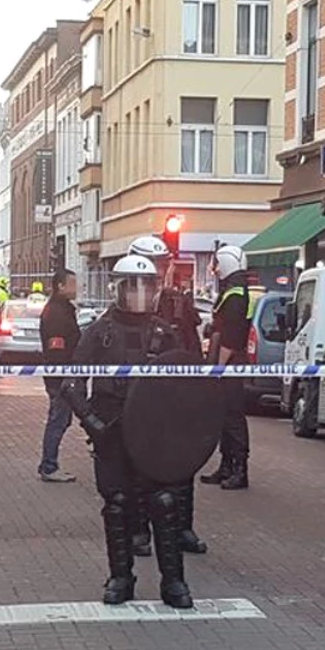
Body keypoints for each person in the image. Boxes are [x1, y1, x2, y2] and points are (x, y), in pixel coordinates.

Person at [62, 253, 194, 609]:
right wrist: (90, 421)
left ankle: (174, 581)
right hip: (111, 428)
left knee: (164, 503)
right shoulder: (100, 332)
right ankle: (121, 576)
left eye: (144, 286)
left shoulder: (164, 333)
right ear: (117, 289)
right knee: (117, 505)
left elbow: (183, 383)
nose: (137, 293)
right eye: (130, 286)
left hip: (153, 433)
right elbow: (72, 381)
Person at [153, 241, 208, 555]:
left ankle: (183, 527)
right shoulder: (125, 314)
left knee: (183, 468)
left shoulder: (178, 304)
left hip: (178, 396)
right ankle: (139, 531)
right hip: (145, 403)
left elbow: (190, 345)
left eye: (164, 264)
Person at [200, 245, 254, 491]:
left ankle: (239, 470)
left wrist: (219, 368)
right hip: (226, 361)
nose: (215, 269)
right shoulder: (233, 290)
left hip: (230, 363)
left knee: (233, 417)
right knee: (224, 416)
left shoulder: (236, 295)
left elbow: (231, 336)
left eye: (217, 264)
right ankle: (226, 466)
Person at [38, 268, 80, 482]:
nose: (76, 288)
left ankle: (49, 464)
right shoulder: (56, 312)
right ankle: (49, 466)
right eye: (72, 284)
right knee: (58, 419)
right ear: (60, 286)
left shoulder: (64, 309)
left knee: (62, 420)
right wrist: (64, 376)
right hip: (60, 376)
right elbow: (57, 347)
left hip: (63, 374)